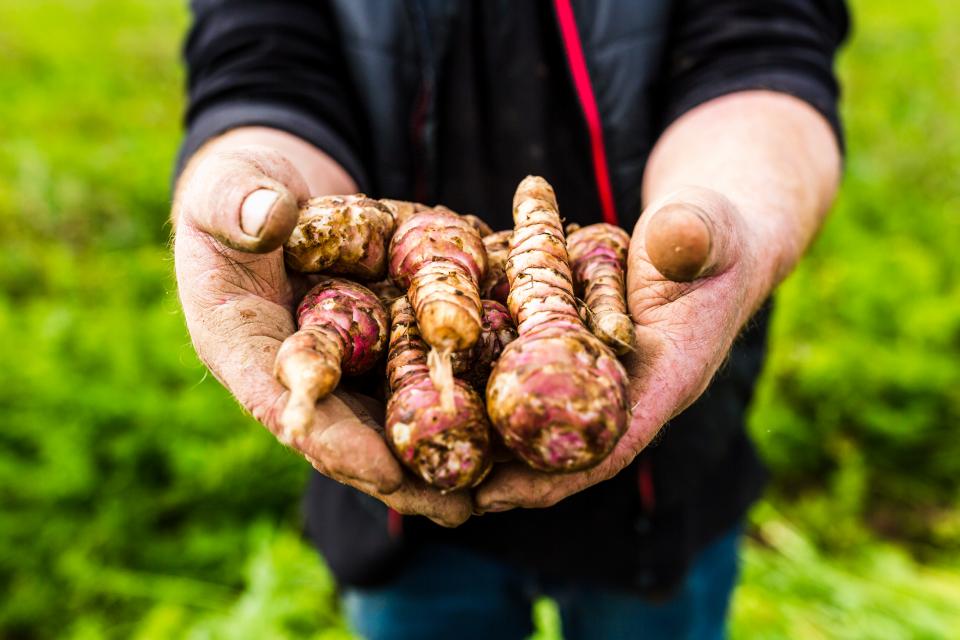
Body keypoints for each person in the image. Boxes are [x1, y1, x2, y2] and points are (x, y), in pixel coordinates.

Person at [172, 1, 848, 638]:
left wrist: (738, 208)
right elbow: (262, 60)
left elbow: (761, 46)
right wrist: (253, 184)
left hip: (670, 457)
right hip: (388, 498)